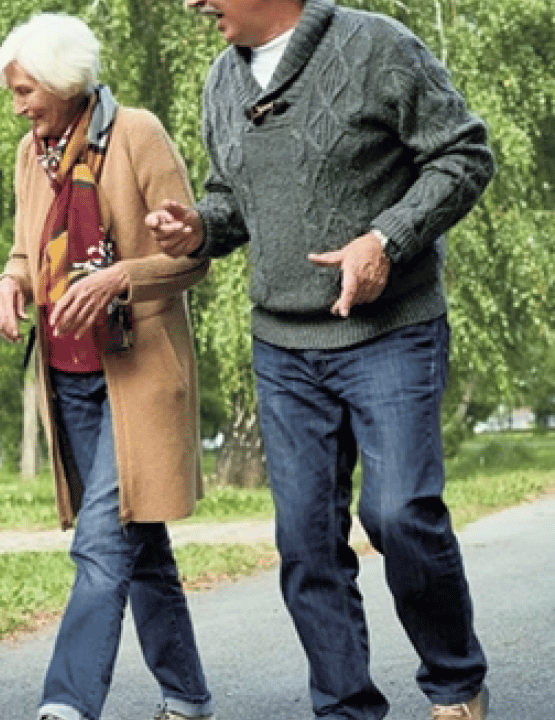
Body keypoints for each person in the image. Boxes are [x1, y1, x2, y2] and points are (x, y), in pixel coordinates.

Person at [147, 1, 495, 719]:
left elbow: (464, 153)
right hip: (283, 346)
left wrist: (386, 239)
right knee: (306, 543)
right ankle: (345, 708)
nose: (193, 3)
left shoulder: (377, 47)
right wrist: (196, 230)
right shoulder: (222, 80)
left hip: (392, 329)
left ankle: (456, 681)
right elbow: (230, 202)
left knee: (399, 514)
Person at [0, 14, 214, 720]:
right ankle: (189, 697)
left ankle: (66, 703)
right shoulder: (35, 154)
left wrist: (118, 277)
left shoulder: (138, 134)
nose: (19, 105)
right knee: (139, 543)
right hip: (70, 378)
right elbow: (29, 250)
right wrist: (9, 282)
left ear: (65, 84)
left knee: (100, 543)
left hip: (137, 375)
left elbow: (193, 256)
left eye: (27, 91)